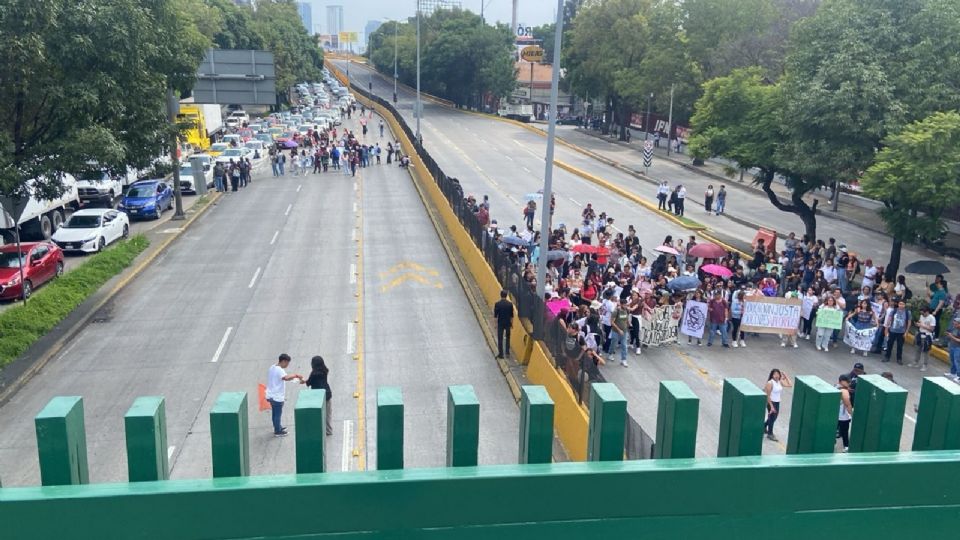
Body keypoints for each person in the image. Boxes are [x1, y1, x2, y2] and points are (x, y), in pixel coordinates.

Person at [266, 353, 303, 437]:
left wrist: (294, 378)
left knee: (275, 413)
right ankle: (278, 431)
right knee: (277, 414)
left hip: (270, 395)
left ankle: (278, 426)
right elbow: (286, 378)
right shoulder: (279, 370)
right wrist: (296, 375)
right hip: (277, 396)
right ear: (283, 361)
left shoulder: (272, 367)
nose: (287, 365)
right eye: (287, 363)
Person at [305, 355, 334, 436]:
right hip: (327, 394)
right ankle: (328, 430)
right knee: (328, 414)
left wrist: (303, 381)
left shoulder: (314, 374)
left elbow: (308, 383)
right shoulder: (325, 371)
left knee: (317, 413)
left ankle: (317, 429)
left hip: (317, 396)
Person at [763, 369, 792, 441]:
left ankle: (763, 426)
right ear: (772, 375)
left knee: (774, 418)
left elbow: (790, 385)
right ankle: (770, 434)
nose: (776, 375)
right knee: (772, 418)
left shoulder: (779, 382)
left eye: (778, 374)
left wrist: (786, 376)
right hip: (771, 402)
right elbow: (767, 395)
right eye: (774, 374)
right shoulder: (770, 383)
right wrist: (771, 406)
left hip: (777, 402)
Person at [883, 299, 910, 364]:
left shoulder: (907, 312)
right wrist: (886, 328)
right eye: (900, 304)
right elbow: (889, 320)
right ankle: (887, 356)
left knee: (900, 346)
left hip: (901, 332)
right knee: (890, 344)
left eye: (902, 304)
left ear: (905, 305)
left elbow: (909, 322)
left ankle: (899, 359)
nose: (901, 305)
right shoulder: (894, 311)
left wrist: (906, 332)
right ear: (898, 304)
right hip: (893, 330)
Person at [910, 306, 935, 371]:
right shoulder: (921, 316)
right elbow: (920, 323)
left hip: (927, 335)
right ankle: (916, 361)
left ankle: (925, 365)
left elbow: (932, 329)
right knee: (918, 349)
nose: (922, 314)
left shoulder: (932, 318)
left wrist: (922, 326)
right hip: (920, 333)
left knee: (926, 351)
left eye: (923, 313)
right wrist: (918, 324)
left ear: (927, 312)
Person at [494, 290, 514, 359]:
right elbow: (512, 315)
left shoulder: (497, 304)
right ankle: (507, 352)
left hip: (500, 323)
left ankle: (501, 354)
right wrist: (512, 324)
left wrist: (495, 325)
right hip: (508, 323)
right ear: (506, 295)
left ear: (500, 295)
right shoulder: (510, 304)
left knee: (500, 338)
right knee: (508, 338)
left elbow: (496, 316)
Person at [837, 374, 854, 453]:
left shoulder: (835, 387)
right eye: (847, 381)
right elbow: (848, 405)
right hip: (843, 416)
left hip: (836, 414)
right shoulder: (844, 392)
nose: (849, 383)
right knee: (844, 432)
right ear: (842, 382)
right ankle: (846, 446)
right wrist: (852, 415)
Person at [946, 318, 960, 383]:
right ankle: (953, 373)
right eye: (954, 323)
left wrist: (951, 337)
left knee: (957, 361)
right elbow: (952, 335)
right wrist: (949, 335)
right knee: (952, 360)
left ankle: (959, 376)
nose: (954, 324)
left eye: (955, 323)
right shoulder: (954, 328)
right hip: (952, 346)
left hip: (958, 348)